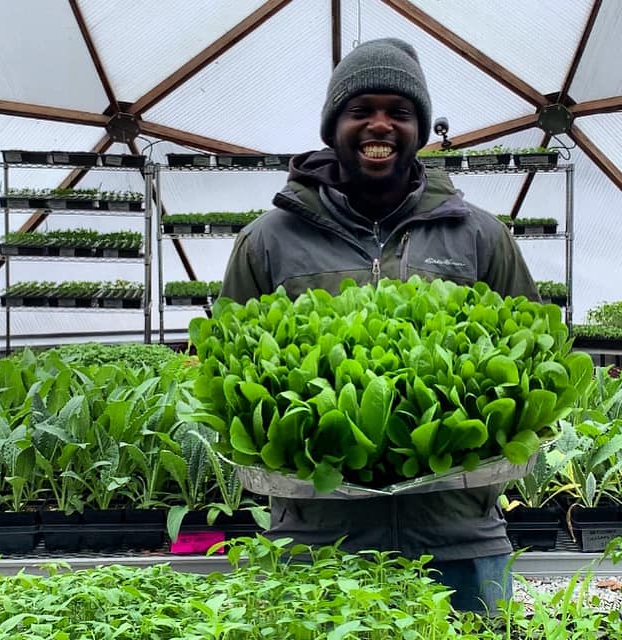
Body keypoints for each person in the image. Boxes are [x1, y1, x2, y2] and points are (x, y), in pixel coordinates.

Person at [220, 37, 540, 613]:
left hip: (458, 538)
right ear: (333, 125)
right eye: (361, 110)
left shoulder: (480, 236)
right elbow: (226, 376)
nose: (380, 126)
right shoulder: (267, 240)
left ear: (419, 127)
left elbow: (537, 367)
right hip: (316, 543)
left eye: (400, 112)